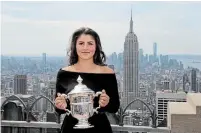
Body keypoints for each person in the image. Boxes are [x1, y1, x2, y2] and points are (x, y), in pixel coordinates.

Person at [54, 27, 120, 133]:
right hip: (71, 129)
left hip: (99, 129)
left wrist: (106, 102)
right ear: (74, 46)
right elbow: (58, 109)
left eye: (90, 43)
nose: (85, 47)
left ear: (96, 46)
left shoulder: (107, 73)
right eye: (81, 43)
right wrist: (60, 104)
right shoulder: (64, 73)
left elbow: (114, 107)